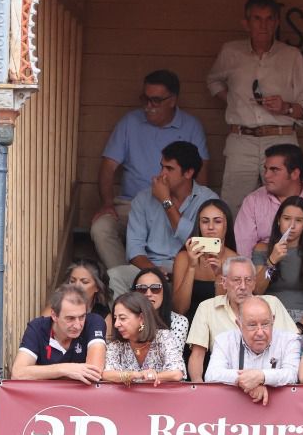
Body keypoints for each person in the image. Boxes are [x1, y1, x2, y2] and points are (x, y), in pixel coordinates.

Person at [91, 69, 210, 270]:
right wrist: (107, 203)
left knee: (190, 234)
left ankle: (174, 278)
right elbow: (108, 166)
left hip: (179, 204)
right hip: (131, 203)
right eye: (144, 98)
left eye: (155, 100)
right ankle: (129, 279)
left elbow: (202, 172)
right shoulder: (130, 122)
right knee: (101, 227)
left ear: (172, 100)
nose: (148, 106)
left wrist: (188, 203)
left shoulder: (191, 126)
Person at [207, 0, 303, 209]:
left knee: (284, 203)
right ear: (246, 23)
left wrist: (285, 107)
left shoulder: (291, 56)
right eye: (257, 19)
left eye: (269, 18)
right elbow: (212, 80)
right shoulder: (231, 51)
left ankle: (283, 244)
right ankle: (232, 244)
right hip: (241, 138)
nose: (263, 25)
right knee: (234, 204)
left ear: (276, 22)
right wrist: (233, 101)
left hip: (280, 138)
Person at [112, 140, 218, 295]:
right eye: (162, 166)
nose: (162, 174)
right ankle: (127, 318)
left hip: (192, 268)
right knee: (115, 276)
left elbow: (205, 245)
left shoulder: (208, 200)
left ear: (188, 173)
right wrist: (154, 272)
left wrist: (165, 202)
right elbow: (134, 249)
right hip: (151, 267)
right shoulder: (143, 198)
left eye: (169, 168)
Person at [187, 255, 297, 382]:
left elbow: (291, 344)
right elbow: (197, 356)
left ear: (255, 282)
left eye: (248, 280)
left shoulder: (272, 304)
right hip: (226, 386)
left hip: (271, 385)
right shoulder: (207, 308)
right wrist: (198, 388)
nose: (243, 286)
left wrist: (260, 379)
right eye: (236, 280)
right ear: (224, 282)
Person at [234, 143, 303, 258]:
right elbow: (243, 252)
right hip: (267, 270)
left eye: (274, 170)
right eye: (266, 169)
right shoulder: (252, 201)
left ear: (295, 174)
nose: (266, 175)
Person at [204, 295, 300, 403]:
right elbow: (211, 374)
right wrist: (248, 381)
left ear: (273, 320)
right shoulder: (224, 340)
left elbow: (292, 375)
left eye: (265, 324)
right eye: (252, 325)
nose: (260, 332)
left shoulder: (289, 340)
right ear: (239, 324)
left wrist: (261, 377)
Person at [250, 194, 303, 330]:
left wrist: (300, 327)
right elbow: (257, 290)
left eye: (299, 220)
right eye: (287, 218)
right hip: (269, 319)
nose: (292, 225)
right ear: (278, 221)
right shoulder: (262, 250)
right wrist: (272, 261)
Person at [11, 283, 107, 382]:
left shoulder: (94, 322)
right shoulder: (37, 327)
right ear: (54, 315)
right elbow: (18, 373)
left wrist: (41, 373)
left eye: (82, 317)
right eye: (70, 318)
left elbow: (93, 373)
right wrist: (65, 369)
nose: (78, 325)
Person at [171, 198, 236, 318]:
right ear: (199, 225)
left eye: (217, 221)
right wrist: (191, 267)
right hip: (189, 325)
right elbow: (179, 309)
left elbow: (225, 312)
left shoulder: (235, 259)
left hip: (219, 327)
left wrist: (219, 275)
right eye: (205, 221)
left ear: (226, 224)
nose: (210, 227)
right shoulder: (184, 257)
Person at [103, 291, 185, 384]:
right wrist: (137, 375)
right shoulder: (117, 344)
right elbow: (106, 374)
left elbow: (176, 373)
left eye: (122, 318)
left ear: (141, 318)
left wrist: (151, 376)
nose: (116, 324)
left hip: (160, 397)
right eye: (115, 318)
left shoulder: (163, 337)